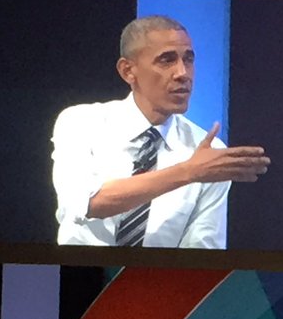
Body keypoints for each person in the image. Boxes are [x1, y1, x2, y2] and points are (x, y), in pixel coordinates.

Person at [51, 15, 271, 248]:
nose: (182, 73)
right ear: (128, 71)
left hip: (162, 272)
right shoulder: (81, 122)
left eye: (188, 60)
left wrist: (197, 170)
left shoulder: (210, 153)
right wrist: (189, 171)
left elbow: (202, 249)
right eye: (167, 60)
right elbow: (86, 204)